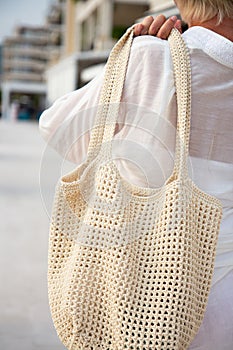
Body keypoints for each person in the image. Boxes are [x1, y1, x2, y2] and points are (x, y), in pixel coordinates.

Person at [39, 0, 233, 348]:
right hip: (224, 304)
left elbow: (58, 129)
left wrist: (131, 58)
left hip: (135, 300)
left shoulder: (152, 56)